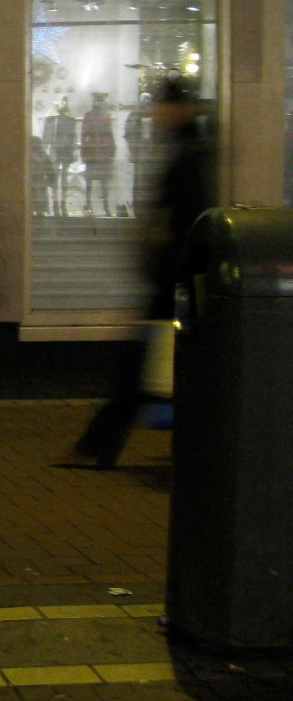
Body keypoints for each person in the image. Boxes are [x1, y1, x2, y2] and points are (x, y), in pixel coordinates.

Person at [72, 75, 211, 468]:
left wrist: (166, 266)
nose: (154, 112)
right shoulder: (186, 148)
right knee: (147, 366)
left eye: (162, 104)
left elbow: (187, 221)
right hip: (173, 278)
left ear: (178, 107)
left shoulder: (189, 154)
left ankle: (97, 445)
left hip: (172, 280)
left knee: (139, 367)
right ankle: (97, 445)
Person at [80, 92, 116, 216]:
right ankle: (89, 204)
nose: (98, 103)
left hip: (102, 151)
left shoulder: (106, 116)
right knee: (91, 180)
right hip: (93, 151)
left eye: (100, 100)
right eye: (97, 100)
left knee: (104, 180)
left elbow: (110, 134)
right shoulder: (89, 116)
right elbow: (84, 135)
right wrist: (84, 151)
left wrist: (112, 150)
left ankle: (105, 205)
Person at [43, 100, 78, 217]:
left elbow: (46, 138)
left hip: (58, 150)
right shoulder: (68, 121)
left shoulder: (53, 120)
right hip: (61, 151)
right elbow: (73, 137)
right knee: (61, 177)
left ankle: (58, 203)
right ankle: (59, 203)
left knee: (58, 177)